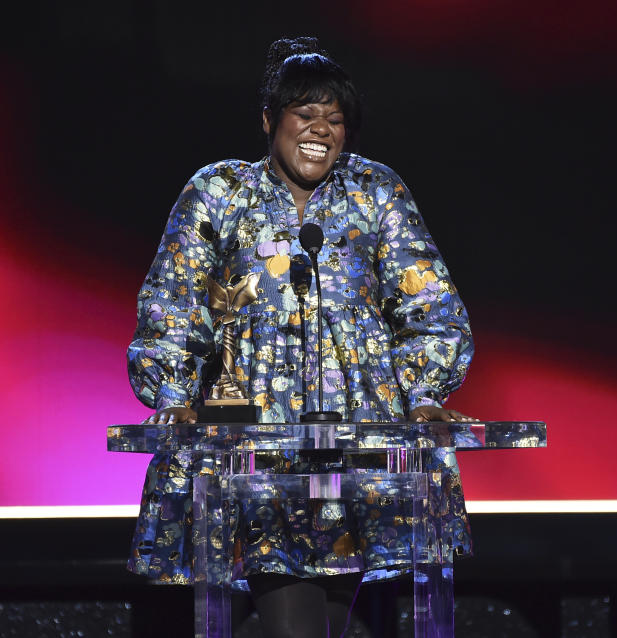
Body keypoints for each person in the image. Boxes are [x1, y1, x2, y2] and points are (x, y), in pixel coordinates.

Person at [127, 37, 474, 637]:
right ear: (269, 121)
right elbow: (174, 302)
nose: (320, 130)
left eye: (335, 120)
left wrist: (423, 393)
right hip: (253, 455)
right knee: (296, 626)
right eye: (305, 114)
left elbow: (432, 305)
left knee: (321, 626)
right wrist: (174, 394)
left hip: (353, 457)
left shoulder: (376, 193)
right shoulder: (220, 193)